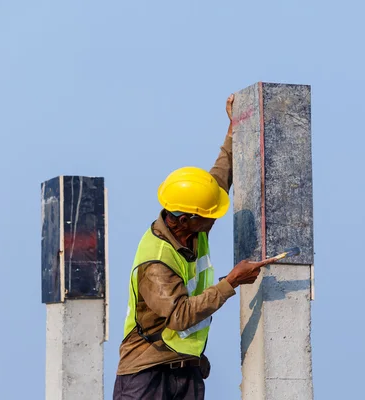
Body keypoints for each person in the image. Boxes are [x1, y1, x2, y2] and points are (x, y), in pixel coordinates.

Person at [113, 94, 273, 400]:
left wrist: (232, 131)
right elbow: (180, 316)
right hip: (147, 375)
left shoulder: (190, 224)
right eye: (207, 217)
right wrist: (231, 283)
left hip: (185, 369)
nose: (213, 219)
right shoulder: (155, 263)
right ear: (184, 219)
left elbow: (217, 183)